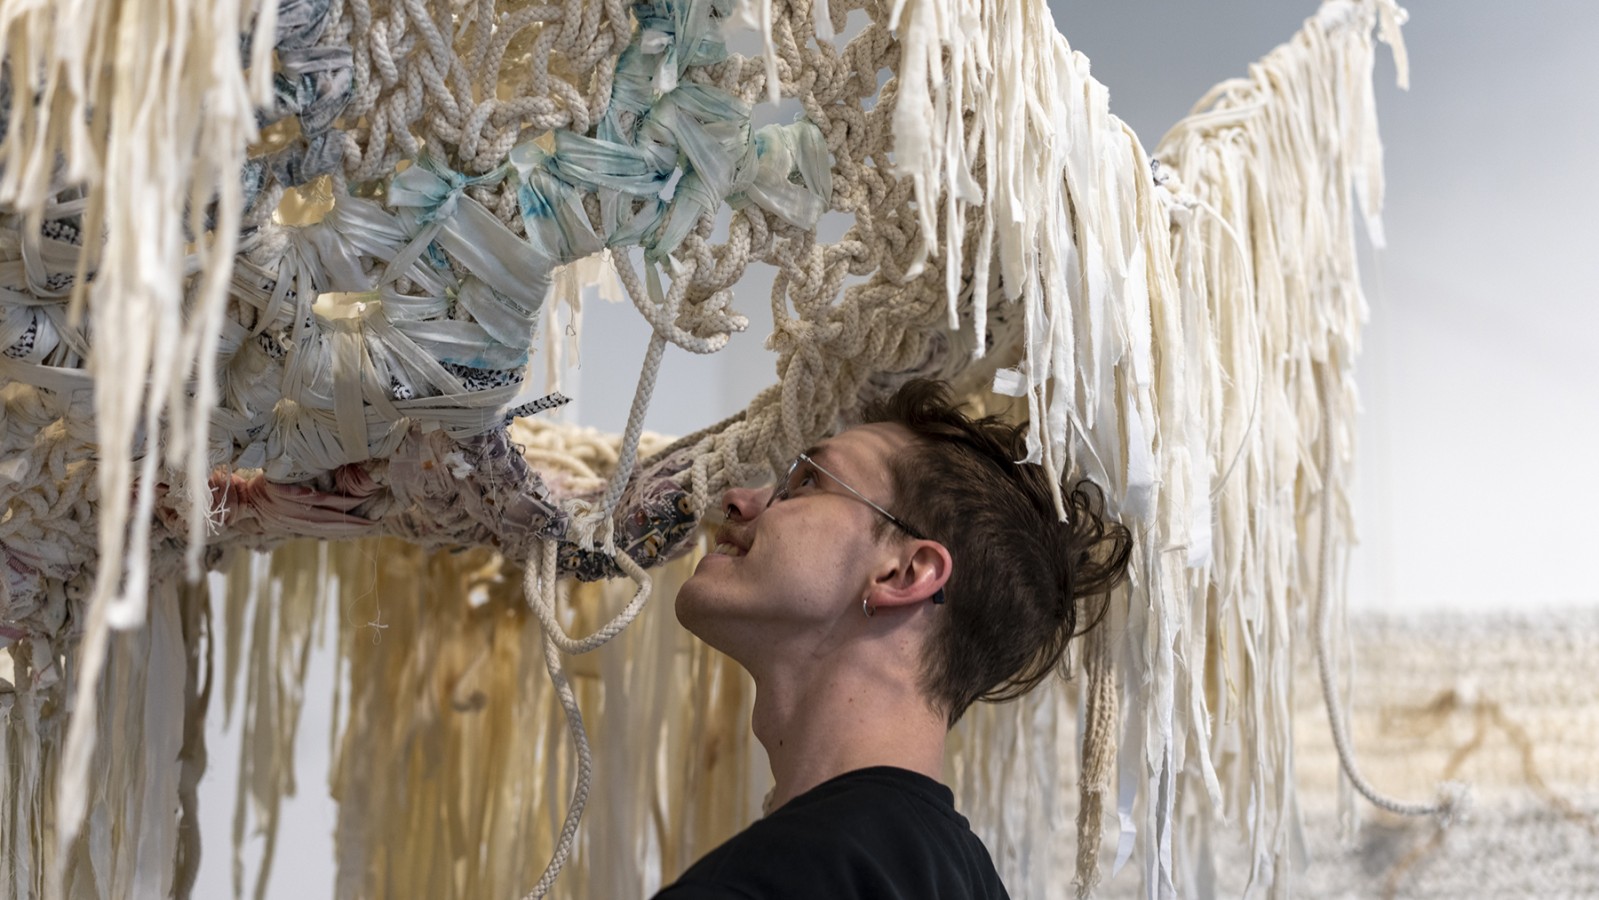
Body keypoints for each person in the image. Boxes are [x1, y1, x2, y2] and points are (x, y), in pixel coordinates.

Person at [653, 379, 1133, 899]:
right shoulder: (966, 881)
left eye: (807, 480)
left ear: (904, 573)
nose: (738, 500)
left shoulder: (784, 878)